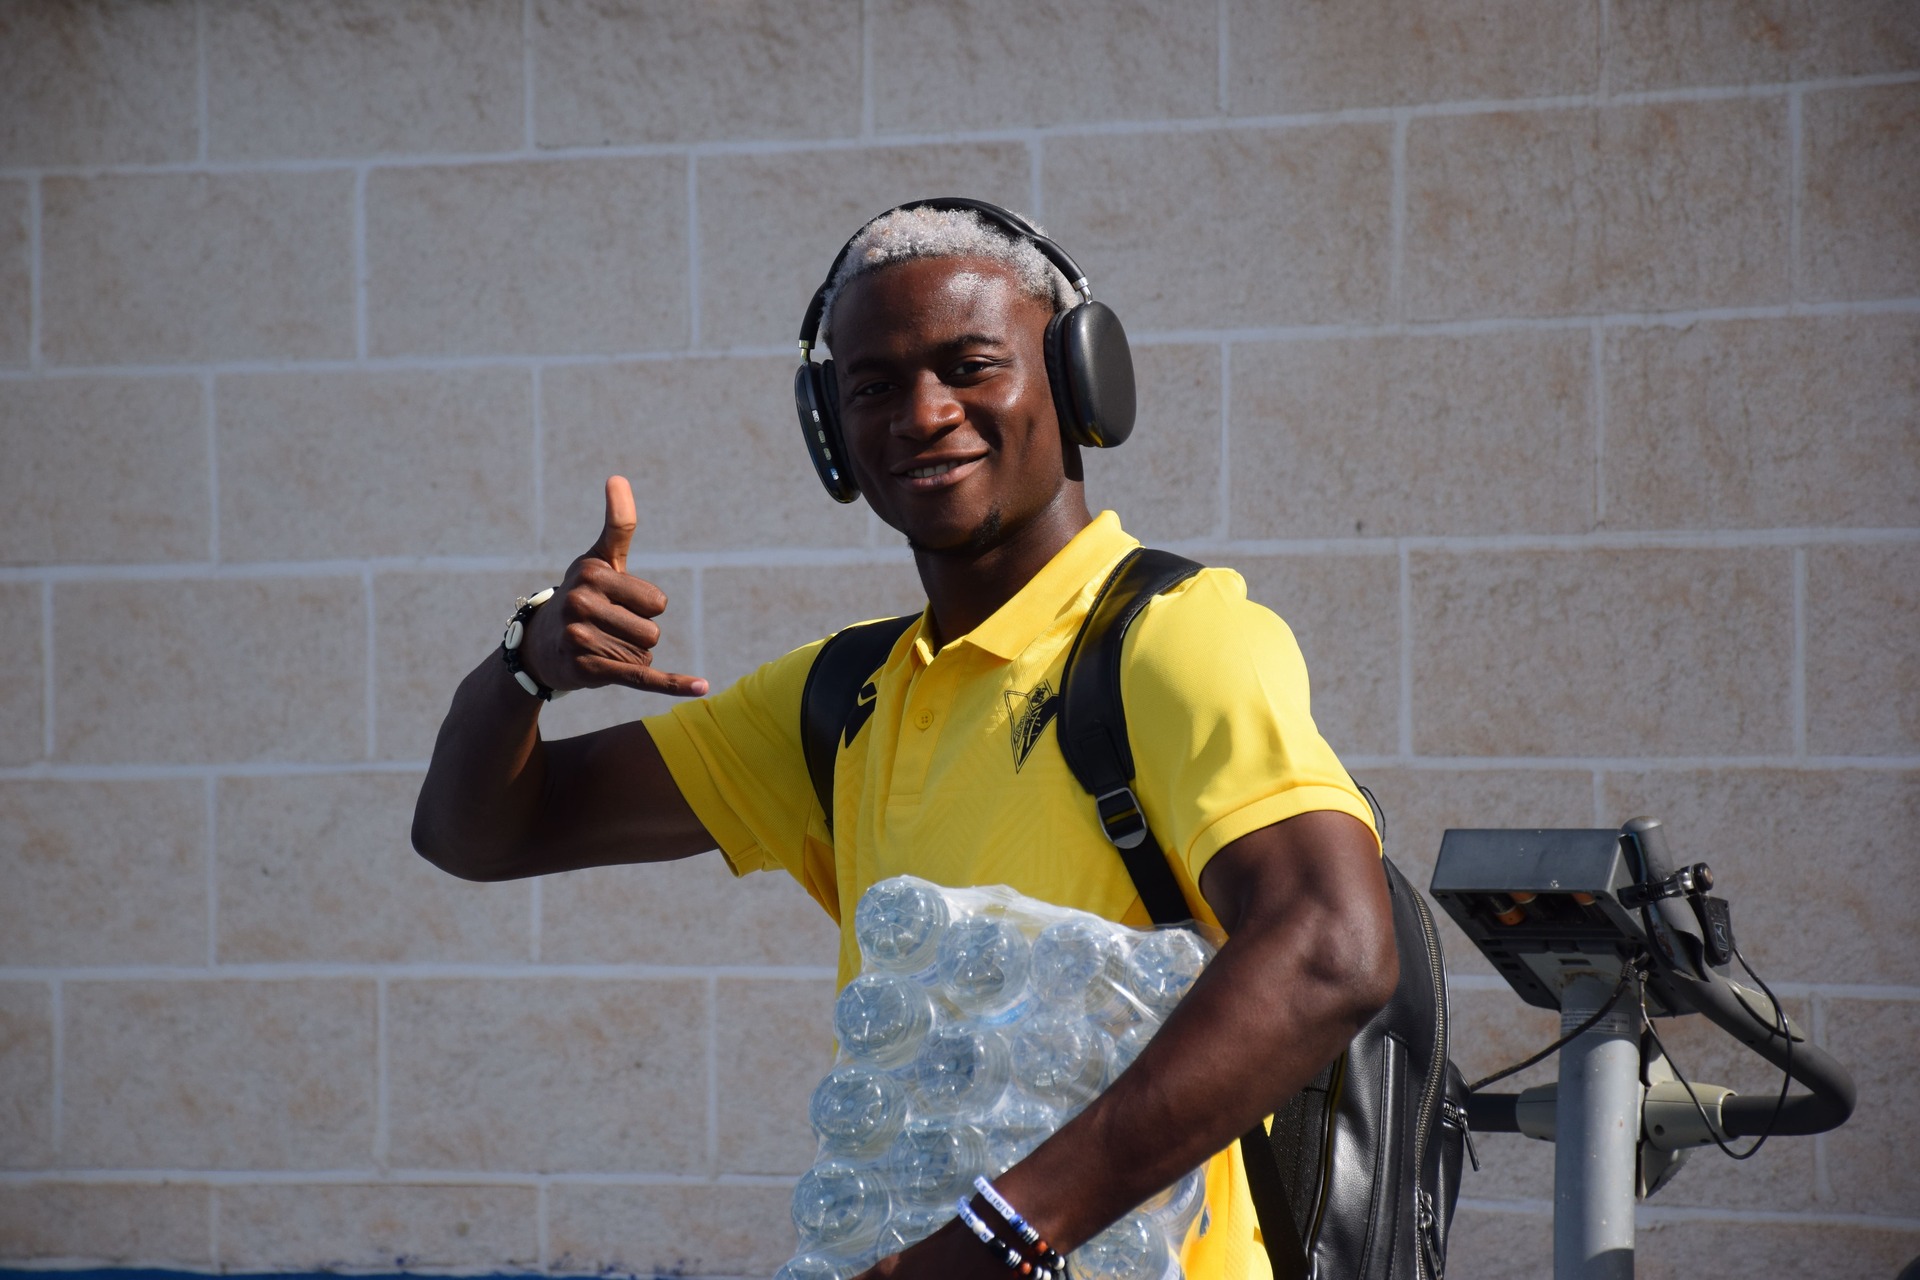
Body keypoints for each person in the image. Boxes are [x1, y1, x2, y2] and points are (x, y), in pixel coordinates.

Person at [412, 203, 1397, 1280]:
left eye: (970, 367)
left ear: (1078, 385)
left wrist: (996, 1240)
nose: (923, 415)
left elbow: (1331, 947)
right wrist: (523, 666)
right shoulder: (842, 695)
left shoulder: (1173, 637)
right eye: (873, 387)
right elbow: (478, 834)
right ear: (829, 430)